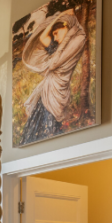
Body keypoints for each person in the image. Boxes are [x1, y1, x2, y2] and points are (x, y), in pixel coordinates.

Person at [18, 9, 86, 145]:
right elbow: (43, 38)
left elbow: (54, 64)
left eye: (56, 33)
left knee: (50, 132)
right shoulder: (58, 47)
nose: (54, 38)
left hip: (58, 92)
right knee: (35, 130)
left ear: (66, 26)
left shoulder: (79, 38)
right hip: (46, 92)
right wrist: (59, 16)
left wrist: (68, 28)